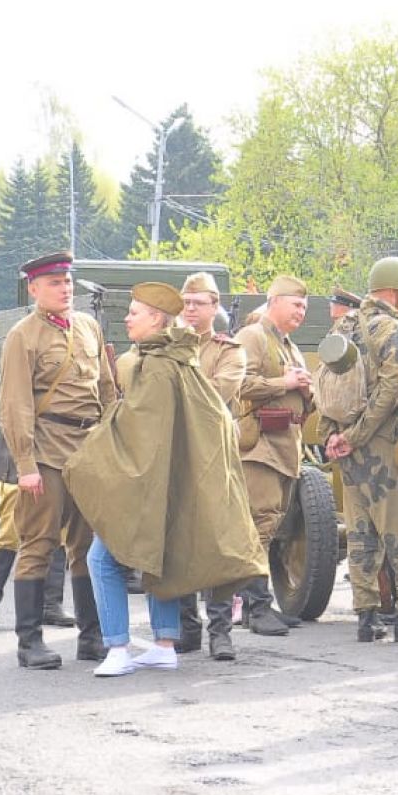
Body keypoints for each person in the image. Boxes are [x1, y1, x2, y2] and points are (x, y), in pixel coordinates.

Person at [66, 283, 268, 677]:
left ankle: (118, 648)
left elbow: (140, 431)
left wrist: (95, 449)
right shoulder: (179, 358)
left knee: (101, 559)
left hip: (150, 481)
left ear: (157, 319)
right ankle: (163, 644)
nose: (127, 318)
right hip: (171, 479)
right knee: (159, 559)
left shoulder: (157, 366)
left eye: (135, 313)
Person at [0, 252, 119, 670]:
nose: (64, 289)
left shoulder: (88, 326)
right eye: (53, 283)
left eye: (67, 282)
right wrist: (25, 464)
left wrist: (113, 445)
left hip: (87, 449)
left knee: (87, 547)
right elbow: (14, 403)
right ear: (33, 289)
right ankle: (29, 641)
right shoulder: (22, 335)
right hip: (46, 447)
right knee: (38, 543)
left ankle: (92, 637)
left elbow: (106, 390)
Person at [324, 256, 398, 644]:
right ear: (397, 292)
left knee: (360, 532)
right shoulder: (394, 331)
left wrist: (336, 435)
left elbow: (329, 388)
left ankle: (366, 616)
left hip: (348, 450)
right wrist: (358, 435)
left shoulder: (345, 325)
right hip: (383, 445)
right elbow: (392, 391)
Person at [227, 275, 315, 654]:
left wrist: (305, 390)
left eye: (304, 307)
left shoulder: (287, 345)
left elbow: (293, 390)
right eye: (295, 305)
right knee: (258, 526)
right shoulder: (253, 338)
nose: (301, 312)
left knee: (270, 524)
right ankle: (255, 606)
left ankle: (258, 605)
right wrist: (285, 382)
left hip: (284, 446)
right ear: (274, 301)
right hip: (259, 445)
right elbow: (239, 384)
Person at [171, 270, 253, 655]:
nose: (190, 309)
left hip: (216, 455)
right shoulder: (169, 346)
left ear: (214, 307)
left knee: (219, 543)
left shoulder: (228, 350)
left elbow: (219, 392)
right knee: (181, 542)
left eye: (197, 303)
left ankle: (220, 631)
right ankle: (187, 626)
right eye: (185, 302)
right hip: (178, 453)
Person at [0, 483, 70, 631]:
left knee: (57, 529)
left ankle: (52, 604)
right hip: (16, 472)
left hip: (54, 464)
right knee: (9, 529)